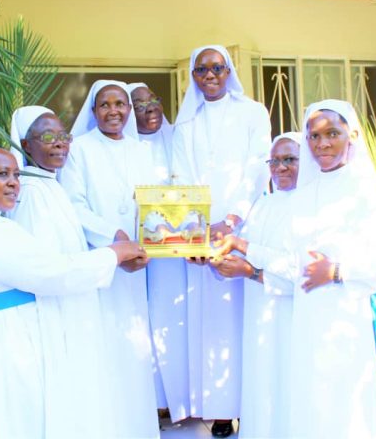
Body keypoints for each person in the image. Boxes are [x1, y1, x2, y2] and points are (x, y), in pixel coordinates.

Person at [0, 140, 145, 439]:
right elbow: (54, 272)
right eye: (1, 174)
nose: (12, 183)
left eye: (15, 175)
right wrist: (114, 253)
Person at [214, 99, 376, 439]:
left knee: (349, 410)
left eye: (332, 133)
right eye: (314, 136)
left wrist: (337, 271)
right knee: (313, 408)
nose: (322, 144)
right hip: (307, 322)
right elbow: (294, 264)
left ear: (351, 136)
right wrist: (241, 246)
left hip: (353, 320)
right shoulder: (306, 196)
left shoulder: (369, 193)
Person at [171, 45, 271, 437]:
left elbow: (258, 166)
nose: (209, 75)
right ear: (193, 76)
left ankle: (250, 403)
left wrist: (232, 220)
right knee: (209, 323)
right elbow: (180, 177)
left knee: (244, 318)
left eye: (217, 67)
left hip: (243, 230)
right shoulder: (186, 122)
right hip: (202, 234)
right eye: (201, 70)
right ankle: (220, 409)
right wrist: (196, 231)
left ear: (229, 71)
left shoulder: (252, 112)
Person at [59, 80, 159, 439]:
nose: (113, 111)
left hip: (137, 266)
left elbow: (156, 205)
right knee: (102, 346)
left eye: (120, 104)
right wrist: (113, 239)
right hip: (99, 261)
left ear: (129, 110)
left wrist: (152, 242)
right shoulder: (79, 150)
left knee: (133, 348)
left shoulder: (142, 150)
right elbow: (73, 205)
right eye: (105, 104)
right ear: (93, 110)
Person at [8, 106, 115, 437]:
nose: (60, 144)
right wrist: (113, 256)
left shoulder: (51, 185)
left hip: (73, 310)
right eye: (48, 137)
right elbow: (47, 270)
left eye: (64, 136)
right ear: (26, 145)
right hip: (51, 317)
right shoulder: (28, 194)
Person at [209, 132, 302, 439]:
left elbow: (299, 272)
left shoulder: (312, 208)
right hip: (260, 320)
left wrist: (250, 270)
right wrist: (214, 259)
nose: (280, 167)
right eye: (274, 160)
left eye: (289, 159)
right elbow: (236, 252)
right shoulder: (262, 206)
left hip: (294, 322)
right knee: (263, 390)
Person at [128, 82, 191, 423]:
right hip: (133, 251)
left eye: (154, 100)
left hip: (172, 251)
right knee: (141, 324)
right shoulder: (124, 148)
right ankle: (150, 402)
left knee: (171, 322)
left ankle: (178, 401)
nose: (150, 107)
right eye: (139, 104)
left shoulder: (177, 139)